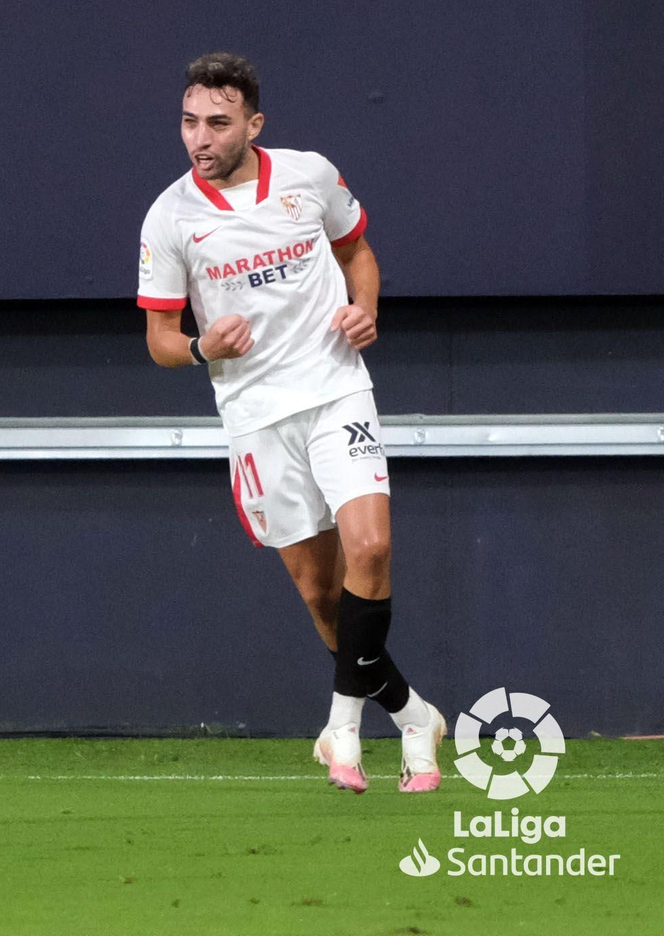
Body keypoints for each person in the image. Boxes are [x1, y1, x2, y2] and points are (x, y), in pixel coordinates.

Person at [137, 52, 444, 794]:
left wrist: (365, 308)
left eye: (216, 122)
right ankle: (411, 715)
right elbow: (159, 341)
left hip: (336, 389)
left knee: (370, 547)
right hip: (255, 418)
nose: (199, 138)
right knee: (323, 596)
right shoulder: (170, 216)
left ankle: (340, 724)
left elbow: (357, 251)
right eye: (188, 121)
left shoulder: (308, 176)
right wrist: (200, 344)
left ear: (253, 123)